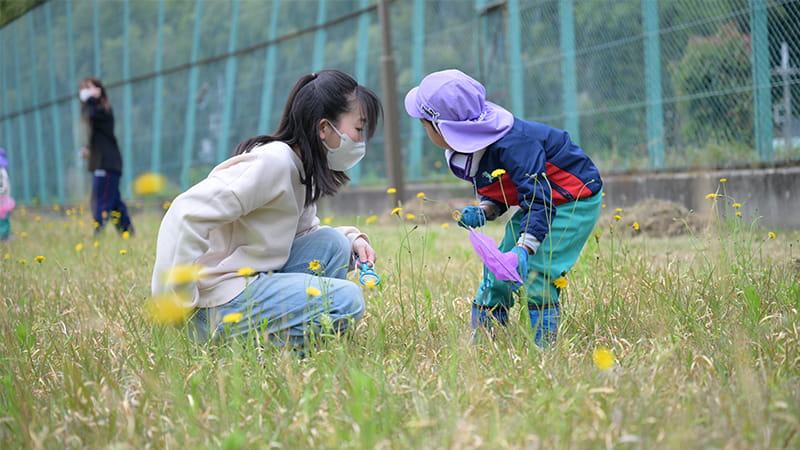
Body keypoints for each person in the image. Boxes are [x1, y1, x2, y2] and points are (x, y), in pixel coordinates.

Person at [151, 70, 382, 349]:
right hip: (219, 302)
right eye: (358, 130)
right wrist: (177, 305)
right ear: (324, 128)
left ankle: (312, 343)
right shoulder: (273, 163)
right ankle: (268, 352)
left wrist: (352, 240)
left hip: (250, 281)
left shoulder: (302, 170)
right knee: (348, 299)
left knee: (335, 244)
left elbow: (303, 232)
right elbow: (185, 213)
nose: (361, 142)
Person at [404, 69, 603, 347]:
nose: (425, 131)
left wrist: (525, 248)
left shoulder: (516, 145)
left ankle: (544, 349)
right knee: (498, 271)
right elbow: (509, 188)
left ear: (441, 127)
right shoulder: (478, 144)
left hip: (572, 198)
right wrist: (485, 209)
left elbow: (538, 196)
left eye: (425, 125)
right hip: (538, 201)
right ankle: (486, 343)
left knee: (538, 270)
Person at [79, 77, 134, 235]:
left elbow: (92, 115)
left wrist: (90, 100)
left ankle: (98, 231)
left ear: (99, 90)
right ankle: (127, 232)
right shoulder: (93, 109)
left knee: (101, 199)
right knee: (114, 201)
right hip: (100, 162)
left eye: (89, 88)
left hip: (108, 163)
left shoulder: (103, 110)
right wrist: (89, 149)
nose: (86, 92)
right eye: (84, 89)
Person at [0, 147, 15, 241]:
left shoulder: (2, 173)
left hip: (3, 201)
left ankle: (5, 235)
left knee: (3, 219)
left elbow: (4, 187)